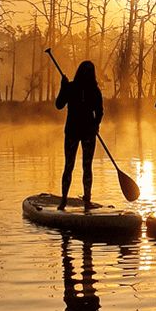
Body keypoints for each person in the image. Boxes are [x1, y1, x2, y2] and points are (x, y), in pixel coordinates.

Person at [55, 60, 104, 211]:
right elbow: (59, 104)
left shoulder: (93, 91)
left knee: (85, 166)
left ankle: (86, 200)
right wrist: (63, 87)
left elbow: (100, 111)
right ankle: (64, 200)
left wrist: (96, 125)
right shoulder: (71, 87)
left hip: (86, 132)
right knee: (70, 166)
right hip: (74, 132)